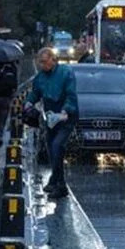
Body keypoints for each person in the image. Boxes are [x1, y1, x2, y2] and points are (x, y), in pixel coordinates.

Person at [25, 48, 78, 199]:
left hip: (65, 117)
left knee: (57, 146)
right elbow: (36, 92)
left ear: (53, 60)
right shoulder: (41, 77)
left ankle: (61, 185)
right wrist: (29, 102)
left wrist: (65, 111)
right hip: (50, 117)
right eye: (40, 62)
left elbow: (70, 94)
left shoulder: (65, 73)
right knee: (51, 147)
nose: (42, 65)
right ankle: (55, 178)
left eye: (44, 62)